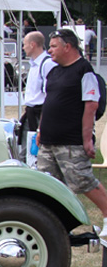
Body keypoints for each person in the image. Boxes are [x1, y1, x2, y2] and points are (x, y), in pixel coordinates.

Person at [37, 28, 107, 237]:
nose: (50, 51)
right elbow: (48, 103)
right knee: (48, 184)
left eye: (54, 46)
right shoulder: (53, 71)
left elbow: (91, 106)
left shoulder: (84, 71)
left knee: (83, 181)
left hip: (71, 141)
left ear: (68, 47)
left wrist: (87, 139)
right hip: (49, 141)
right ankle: (55, 227)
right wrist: (41, 130)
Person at [17, 31, 56, 161]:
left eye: (24, 44)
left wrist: (42, 122)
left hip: (40, 114)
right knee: (25, 150)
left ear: (33, 45)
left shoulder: (47, 64)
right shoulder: (34, 65)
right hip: (31, 113)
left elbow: (49, 93)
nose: (23, 48)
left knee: (38, 150)